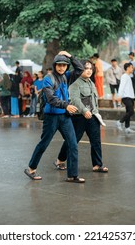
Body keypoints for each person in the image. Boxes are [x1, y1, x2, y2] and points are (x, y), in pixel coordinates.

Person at [24, 51, 85, 183]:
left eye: (64, 65)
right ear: (55, 65)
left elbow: (80, 69)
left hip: (64, 117)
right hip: (51, 117)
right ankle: (31, 168)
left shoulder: (66, 76)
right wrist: (66, 105)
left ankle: (72, 175)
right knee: (44, 144)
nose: (61, 67)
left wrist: (70, 56)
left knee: (73, 144)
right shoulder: (48, 78)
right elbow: (51, 99)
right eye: (59, 65)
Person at [55, 60, 108, 172]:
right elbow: (75, 100)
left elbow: (94, 101)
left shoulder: (91, 83)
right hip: (79, 117)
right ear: (80, 70)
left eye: (90, 68)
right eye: (86, 68)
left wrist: (96, 113)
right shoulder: (75, 84)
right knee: (73, 140)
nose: (89, 71)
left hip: (93, 116)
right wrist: (84, 110)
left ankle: (97, 165)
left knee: (96, 141)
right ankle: (60, 159)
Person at [116, 63, 135, 133]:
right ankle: (120, 122)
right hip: (126, 97)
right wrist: (119, 96)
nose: (132, 69)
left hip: (130, 96)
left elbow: (129, 88)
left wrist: (133, 97)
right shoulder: (124, 76)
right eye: (131, 67)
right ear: (127, 68)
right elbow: (121, 86)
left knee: (128, 112)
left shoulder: (128, 76)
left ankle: (127, 128)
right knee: (131, 111)